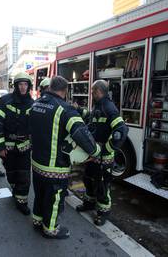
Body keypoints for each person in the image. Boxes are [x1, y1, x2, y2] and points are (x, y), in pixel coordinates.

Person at [29, 76, 101, 239]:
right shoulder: (65, 109)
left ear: (50, 88)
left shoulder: (35, 104)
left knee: (40, 195)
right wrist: (96, 152)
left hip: (37, 163)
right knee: (54, 199)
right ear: (65, 91)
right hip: (55, 166)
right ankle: (51, 228)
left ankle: (37, 221)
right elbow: (81, 134)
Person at [76, 80, 128, 226]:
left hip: (103, 158)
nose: (91, 94)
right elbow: (92, 120)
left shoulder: (109, 108)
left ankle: (103, 212)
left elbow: (121, 131)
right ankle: (89, 203)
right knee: (89, 179)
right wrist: (80, 110)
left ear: (99, 91)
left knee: (102, 185)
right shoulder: (99, 106)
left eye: (93, 91)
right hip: (94, 155)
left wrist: (106, 149)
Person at [0, 72, 34, 215]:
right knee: (11, 174)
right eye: (20, 84)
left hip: (24, 148)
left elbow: (35, 128)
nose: (23, 87)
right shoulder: (5, 101)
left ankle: (22, 202)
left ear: (29, 86)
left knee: (24, 175)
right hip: (8, 148)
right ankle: (15, 190)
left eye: (25, 84)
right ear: (15, 86)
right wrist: (0, 147)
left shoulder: (32, 104)